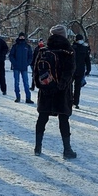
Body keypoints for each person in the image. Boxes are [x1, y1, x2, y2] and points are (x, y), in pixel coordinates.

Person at [33, 24, 76, 159]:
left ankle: (38, 147)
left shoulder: (43, 51)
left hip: (46, 89)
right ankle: (67, 150)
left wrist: (41, 86)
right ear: (64, 35)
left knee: (42, 118)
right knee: (64, 119)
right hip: (62, 92)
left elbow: (35, 70)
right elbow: (70, 72)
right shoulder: (68, 51)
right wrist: (61, 85)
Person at [8, 32, 34, 103]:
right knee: (16, 83)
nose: (22, 38)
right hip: (16, 67)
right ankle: (17, 97)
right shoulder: (15, 46)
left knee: (26, 83)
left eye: (23, 37)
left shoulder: (27, 46)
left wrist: (27, 63)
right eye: (21, 37)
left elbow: (30, 56)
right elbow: (11, 55)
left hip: (24, 67)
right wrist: (14, 63)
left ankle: (28, 98)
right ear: (19, 37)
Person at [72, 33, 91, 109]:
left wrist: (88, 69)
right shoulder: (72, 47)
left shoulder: (84, 48)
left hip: (80, 70)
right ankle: (70, 100)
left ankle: (76, 102)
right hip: (72, 70)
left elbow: (87, 60)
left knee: (77, 87)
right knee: (69, 86)